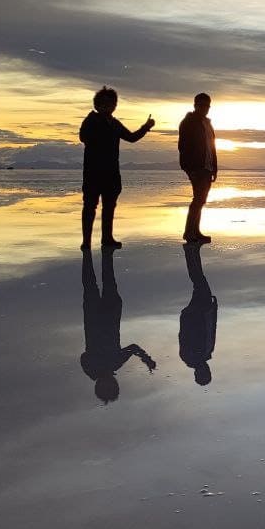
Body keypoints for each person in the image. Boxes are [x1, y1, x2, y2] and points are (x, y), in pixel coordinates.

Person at [78, 86, 154, 250]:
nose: (108, 107)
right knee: (90, 206)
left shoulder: (115, 124)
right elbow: (83, 137)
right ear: (97, 105)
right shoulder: (91, 120)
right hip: (93, 172)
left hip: (111, 173)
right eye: (104, 104)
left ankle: (107, 238)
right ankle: (86, 241)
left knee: (109, 206)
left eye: (112, 104)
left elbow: (131, 137)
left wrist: (146, 127)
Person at [80, 250, 156, 403]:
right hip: (107, 314)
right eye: (112, 386)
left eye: (107, 387)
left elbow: (84, 357)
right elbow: (133, 348)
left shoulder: (100, 367)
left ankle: (89, 251)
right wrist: (146, 359)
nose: (110, 383)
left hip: (96, 316)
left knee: (92, 283)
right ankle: (100, 253)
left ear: (99, 386)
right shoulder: (112, 364)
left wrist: (146, 359)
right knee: (102, 281)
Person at [178, 92, 218, 245]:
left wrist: (215, 168)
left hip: (207, 167)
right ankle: (189, 232)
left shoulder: (208, 123)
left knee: (201, 200)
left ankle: (196, 231)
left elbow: (212, 147)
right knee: (198, 199)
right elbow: (183, 147)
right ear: (195, 105)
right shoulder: (188, 122)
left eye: (206, 105)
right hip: (196, 167)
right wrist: (189, 168)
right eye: (201, 105)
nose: (204, 108)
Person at [179, 244, 218, 387]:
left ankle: (190, 251)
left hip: (197, 313)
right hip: (204, 311)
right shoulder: (206, 354)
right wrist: (214, 309)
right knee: (200, 281)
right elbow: (211, 330)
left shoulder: (190, 356)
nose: (207, 370)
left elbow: (184, 335)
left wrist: (188, 315)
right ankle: (193, 251)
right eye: (208, 372)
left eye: (205, 373)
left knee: (199, 281)